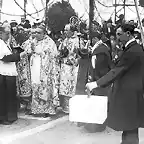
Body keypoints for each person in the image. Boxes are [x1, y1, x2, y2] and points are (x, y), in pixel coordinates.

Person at [86, 23, 144, 144]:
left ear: (128, 34)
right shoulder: (131, 48)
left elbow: (117, 71)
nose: (117, 37)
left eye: (119, 34)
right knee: (129, 127)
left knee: (130, 127)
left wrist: (96, 84)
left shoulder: (133, 50)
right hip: (131, 92)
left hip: (130, 94)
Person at [30, 24, 59, 117]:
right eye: (35, 32)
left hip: (45, 70)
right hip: (35, 68)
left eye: (39, 33)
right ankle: (36, 109)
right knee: (35, 87)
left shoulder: (50, 42)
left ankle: (46, 109)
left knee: (45, 88)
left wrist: (40, 52)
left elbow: (54, 55)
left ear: (44, 33)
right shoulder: (33, 41)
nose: (36, 34)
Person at [0, 23, 25, 125]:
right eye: (6, 33)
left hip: (8, 73)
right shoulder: (0, 43)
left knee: (9, 96)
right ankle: (5, 118)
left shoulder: (5, 43)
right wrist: (20, 55)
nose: (8, 36)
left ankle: (8, 117)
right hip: (4, 74)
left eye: (9, 33)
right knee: (5, 97)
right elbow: (5, 58)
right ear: (0, 33)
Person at [58, 24, 80, 113]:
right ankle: (65, 104)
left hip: (72, 67)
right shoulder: (65, 40)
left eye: (66, 30)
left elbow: (79, 54)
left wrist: (72, 59)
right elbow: (61, 51)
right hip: (64, 66)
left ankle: (71, 106)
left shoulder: (77, 41)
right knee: (64, 85)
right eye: (64, 30)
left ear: (72, 31)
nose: (65, 32)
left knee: (71, 85)